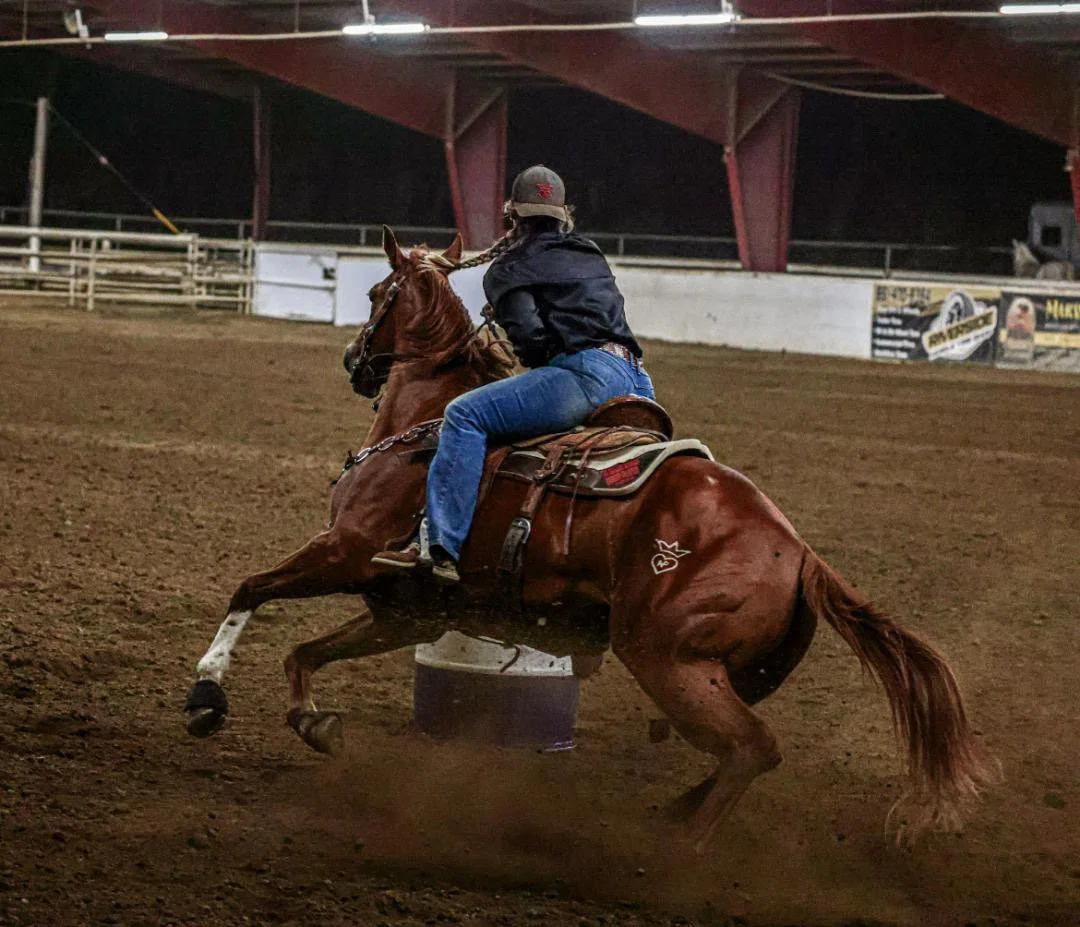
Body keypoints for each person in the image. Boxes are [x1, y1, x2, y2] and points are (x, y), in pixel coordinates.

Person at [372, 165, 656, 583]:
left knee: (465, 416)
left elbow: (530, 338)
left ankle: (440, 546)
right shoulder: (590, 251)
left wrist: (523, 337)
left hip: (585, 377)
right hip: (638, 381)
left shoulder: (507, 269)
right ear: (563, 215)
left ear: (512, 216)